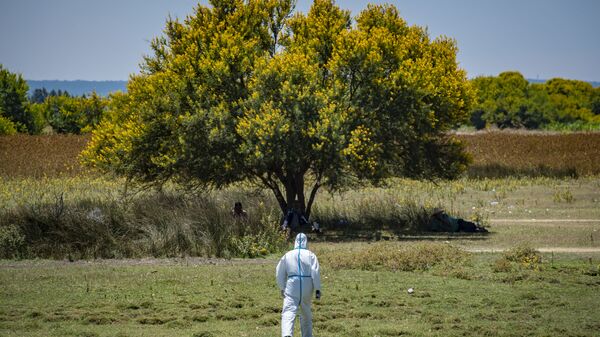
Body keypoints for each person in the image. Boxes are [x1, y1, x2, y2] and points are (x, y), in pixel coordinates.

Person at [276, 233, 321, 337]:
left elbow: (279, 272)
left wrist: (282, 287)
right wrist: (317, 289)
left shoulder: (287, 255)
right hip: (307, 285)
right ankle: (307, 335)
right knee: (306, 313)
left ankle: (287, 334)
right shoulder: (311, 255)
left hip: (292, 284)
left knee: (288, 311)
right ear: (306, 241)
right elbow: (316, 272)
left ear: (295, 241)